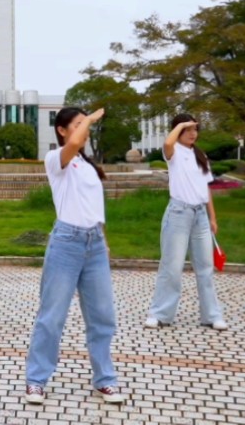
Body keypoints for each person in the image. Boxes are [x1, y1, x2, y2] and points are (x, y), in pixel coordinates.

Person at [25, 107, 125, 405]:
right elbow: (74, 145)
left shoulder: (87, 165)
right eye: (79, 125)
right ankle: (36, 380)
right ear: (62, 130)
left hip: (93, 244)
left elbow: (95, 209)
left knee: (102, 317)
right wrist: (91, 119)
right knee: (52, 317)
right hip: (66, 243)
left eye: (86, 124)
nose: (86, 129)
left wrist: (103, 242)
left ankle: (104, 379)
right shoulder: (57, 160)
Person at [145, 113, 228, 331]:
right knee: (171, 266)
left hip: (200, 215)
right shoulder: (172, 153)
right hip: (178, 213)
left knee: (205, 267)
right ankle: (160, 314)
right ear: (178, 130)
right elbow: (167, 142)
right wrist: (181, 123)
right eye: (187, 129)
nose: (193, 133)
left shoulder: (200, 155)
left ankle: (211, 315)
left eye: (195, 129)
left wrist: (213, 217)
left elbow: (206, 188)